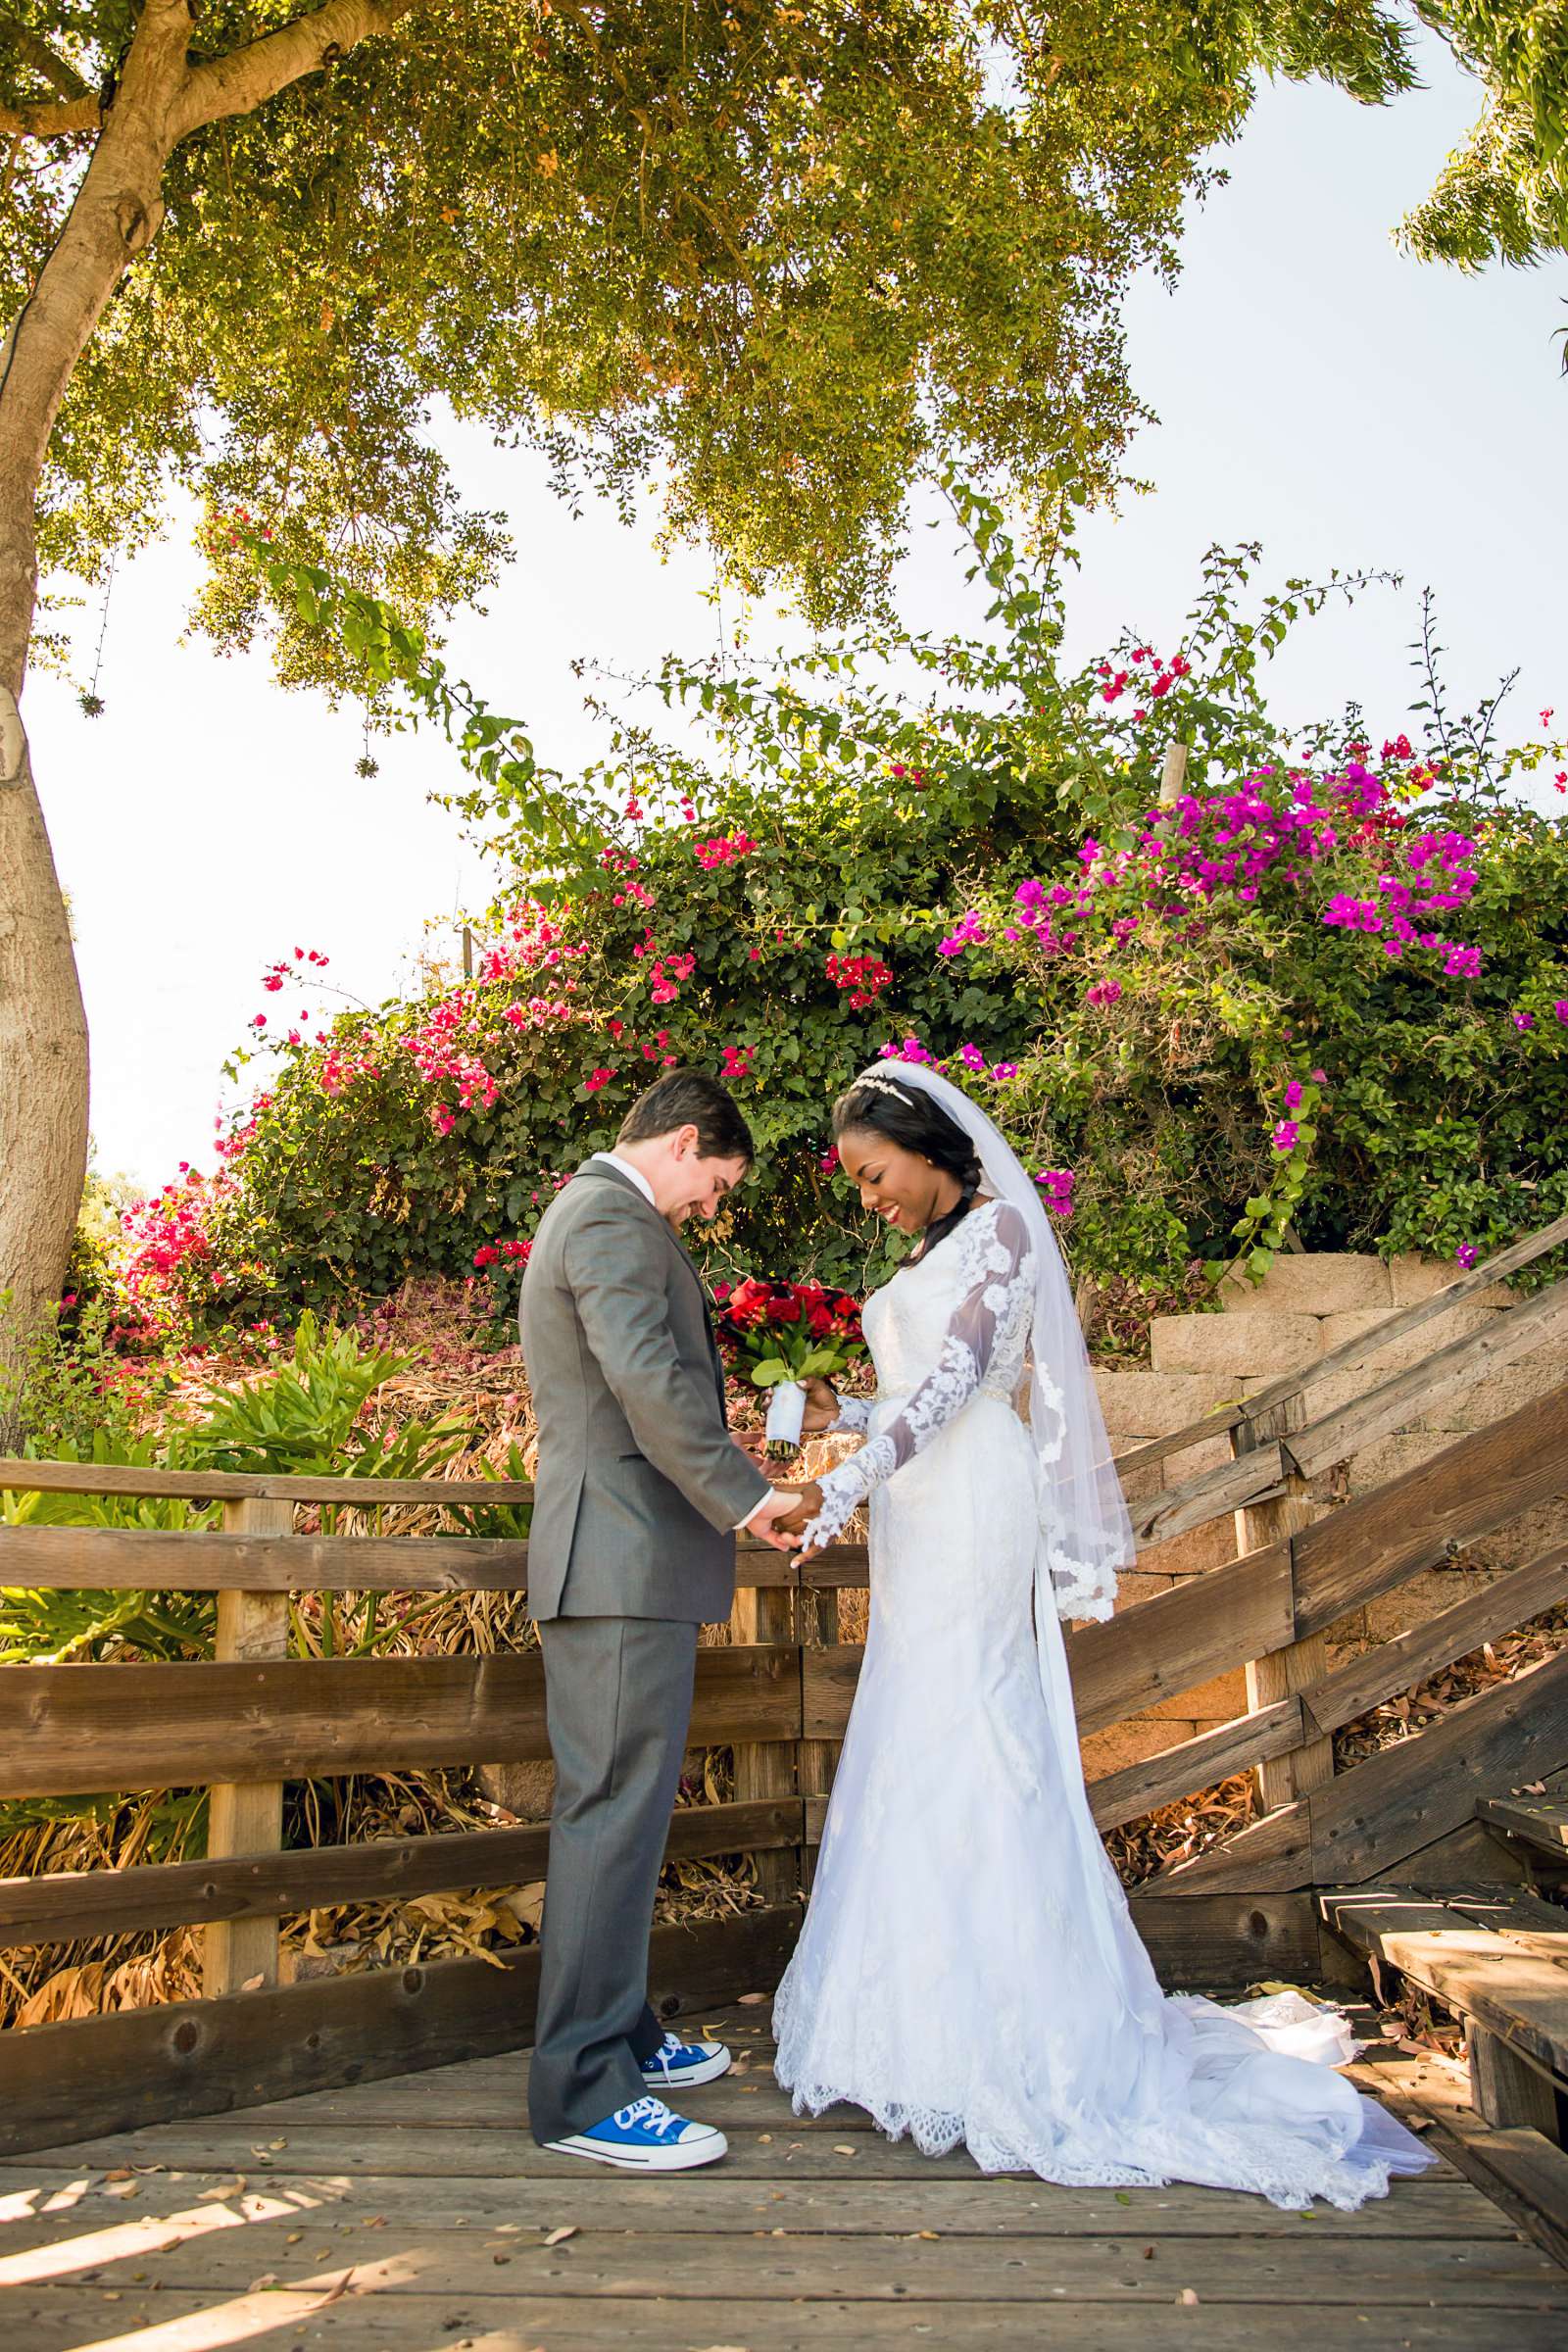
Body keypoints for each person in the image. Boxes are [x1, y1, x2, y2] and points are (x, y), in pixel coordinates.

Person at [764, 1056, 1436, 2208]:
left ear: (927, 1147)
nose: (869, 1199)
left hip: (972, 1504)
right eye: (859, 1185)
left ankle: (1018, 2032)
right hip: (920, 1511)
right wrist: (836, 1418)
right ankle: (919, 2027)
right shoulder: (921, 1254)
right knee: (917, 1732)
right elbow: (906, 1396)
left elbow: (961, 1384)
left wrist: (839, 1484)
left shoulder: (1005, 1231)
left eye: (877, 1175)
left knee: (977, 1727)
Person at [517, 1068, 801, 2172]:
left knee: (623, 1810)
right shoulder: (608, 1216)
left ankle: (621, 2033)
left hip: (626, 1560)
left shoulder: (600, 1215)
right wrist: (747, 1494)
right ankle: (584, 2093)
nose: (710, 1207)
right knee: (610, 1814)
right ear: (684, 1143)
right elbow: (647, 1382)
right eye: (716, 1184)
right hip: (619, 1560)